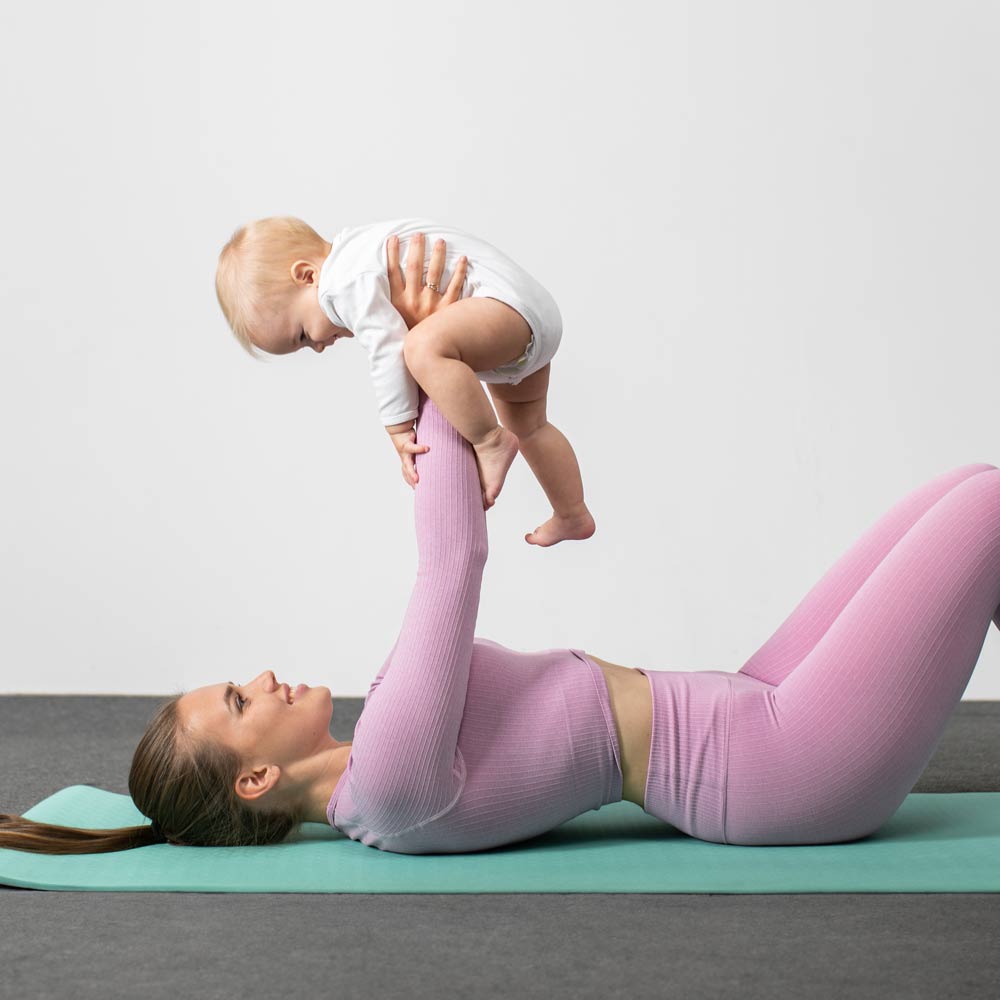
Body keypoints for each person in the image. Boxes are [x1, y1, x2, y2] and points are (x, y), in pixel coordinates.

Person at [3, 241, 1000, 855]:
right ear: (254, 779)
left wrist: (425, 347)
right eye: (235, 701)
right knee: (990, 506)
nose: (257, 676)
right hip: (787, 763)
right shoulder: (387, 785)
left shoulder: (386, 738)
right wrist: (410, 336)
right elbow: (453, 563)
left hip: (749, 701)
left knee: (963, 490)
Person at [214, 215, 595, 547]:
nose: (315, 346)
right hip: (527, 313)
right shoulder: (360, 250)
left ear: (307, 275)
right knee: (531, 427)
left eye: (300, 335)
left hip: (504, 308)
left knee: (419, 348)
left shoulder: (342, 283)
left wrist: (398, 427)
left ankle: (490, 440)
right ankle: (572, 513)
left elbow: (386, 346)